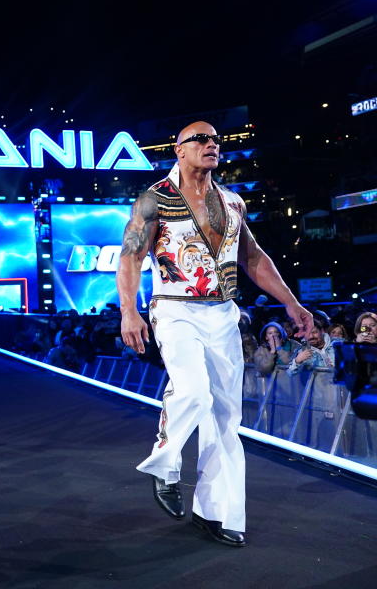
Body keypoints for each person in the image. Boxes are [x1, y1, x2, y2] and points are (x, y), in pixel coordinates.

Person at [116, 121, 312, 547]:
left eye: (216, 140)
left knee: (225, 418)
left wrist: (293, 303)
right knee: (193, 392)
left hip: (223, 313)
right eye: (201, 140)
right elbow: (130, 258)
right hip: (174, 308)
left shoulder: (232, 202)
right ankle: (165, 467)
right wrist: (128, 311)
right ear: (179, 150)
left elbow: (254, 258)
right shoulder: (155, 199)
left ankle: (215, 513)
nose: (212, 145)